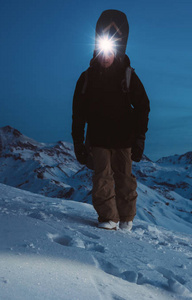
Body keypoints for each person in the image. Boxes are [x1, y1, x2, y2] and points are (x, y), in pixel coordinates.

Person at [72, 10, 150, 231]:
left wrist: (140, 137)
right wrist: (78, 142)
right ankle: (109, 218)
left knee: (125, 179)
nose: (106, 57)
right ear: (97, 50)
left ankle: (126, 219)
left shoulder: (128, 76)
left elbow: (143, 105)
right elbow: (78, 113)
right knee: (102, 178)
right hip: (98, 138)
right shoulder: (87, 78)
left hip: (124, 138)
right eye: (102, 52)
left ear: (117, 52)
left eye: (110, 52)